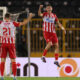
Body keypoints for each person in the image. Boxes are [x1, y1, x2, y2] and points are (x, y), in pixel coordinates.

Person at [0, 13, 34, 80]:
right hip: (11, 44)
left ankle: (1, 76)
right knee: (13, 61)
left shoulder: (1, 23)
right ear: (10, 18)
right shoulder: (13, 23)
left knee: (2, 61)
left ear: (4, 18)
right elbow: (24, 23)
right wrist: (29, 17)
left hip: (3, 44)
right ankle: (15, 76)